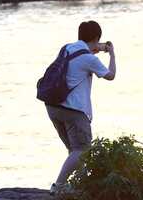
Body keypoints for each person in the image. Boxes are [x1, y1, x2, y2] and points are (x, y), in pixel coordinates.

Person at [46, 20, 116, 195]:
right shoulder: (89, 59)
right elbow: (110, 75)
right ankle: (58, 186)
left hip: (53, 107)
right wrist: (112, 55)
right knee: (81, 150)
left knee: (73, 150)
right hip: (73, 110)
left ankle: (80, 185)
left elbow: (84, 55)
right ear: (96, 37)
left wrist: (98, 47)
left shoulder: (67, 49)